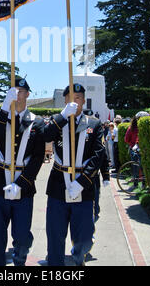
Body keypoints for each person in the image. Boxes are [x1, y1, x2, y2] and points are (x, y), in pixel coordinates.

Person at [43, 83, 105, 266]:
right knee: (55, 235)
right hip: (58, 186)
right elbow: (45, 136)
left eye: (78, 98)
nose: (75, 102)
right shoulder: (57, 120)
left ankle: (78, 256)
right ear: (65, 100)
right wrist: (63, 116)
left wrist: (83, 181)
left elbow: (98, 155)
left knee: (85, 237)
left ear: (84, 101)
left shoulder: (94, 124)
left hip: (83, 187)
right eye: (71, 98)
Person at [0, 77, 45, 266]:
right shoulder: (0, 116)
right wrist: (4, 108)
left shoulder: (37, 122)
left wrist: (21, 183)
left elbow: (37, 158)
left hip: (24, 188)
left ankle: (19, 260)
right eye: (13, 91)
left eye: (21, 91)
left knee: (21, 235)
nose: (17, 94)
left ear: (28, 94)